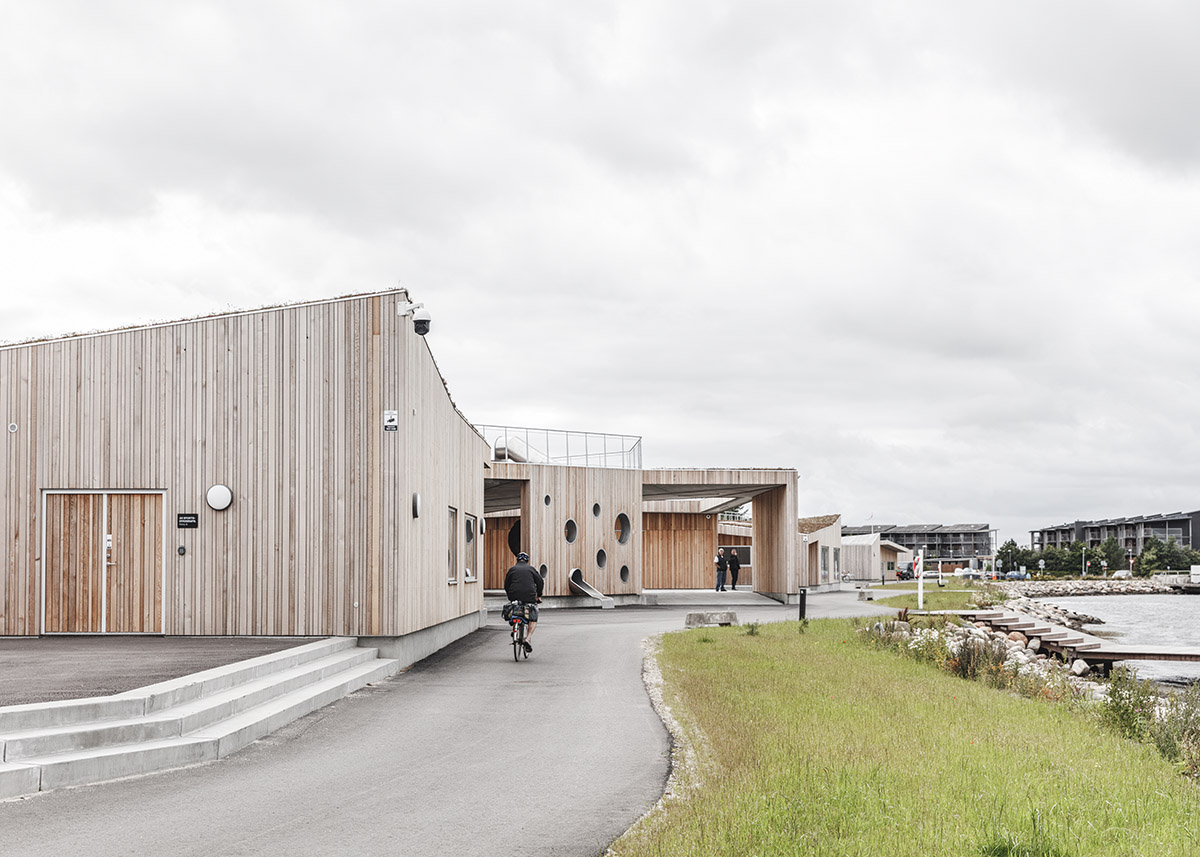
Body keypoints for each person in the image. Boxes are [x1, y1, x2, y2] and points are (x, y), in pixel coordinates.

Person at [504, 551, 544, 652]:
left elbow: (506, 584)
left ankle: (515, 629)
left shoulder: (512, 569)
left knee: (515, 608)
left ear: (517, 560)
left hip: (514, 595)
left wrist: (510, 594)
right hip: (529, 596)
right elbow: (540, 582)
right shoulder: (531, 569)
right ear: (527, 561)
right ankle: (528, 638)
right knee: (533, 617)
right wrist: (539, 595)